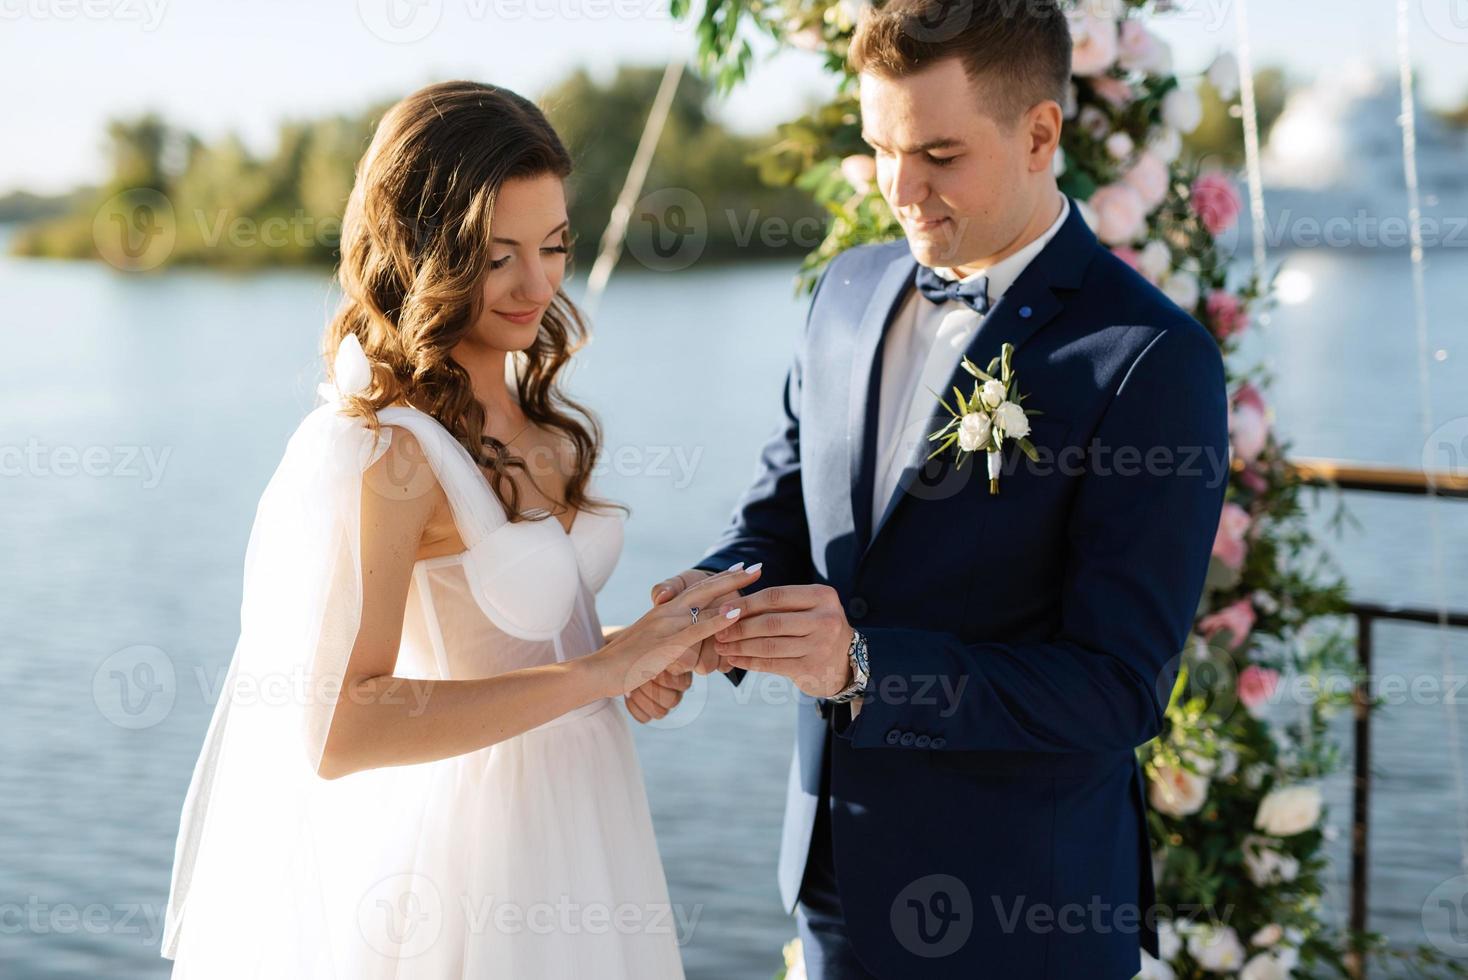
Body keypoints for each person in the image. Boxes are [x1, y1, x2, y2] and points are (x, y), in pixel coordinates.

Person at [650, 1, 1230, 976]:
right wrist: (703, 606)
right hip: (835, 881)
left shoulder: (1148, 361)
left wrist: (868, 665)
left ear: (1041, 132)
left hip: (1024, 910)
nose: (900, 190)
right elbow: (787, 506)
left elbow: (1116, 688)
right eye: (881, 148)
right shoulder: (845, 291)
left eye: (939, 154)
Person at [159, 79, 752, 979]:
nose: (536, 284)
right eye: (497, 252)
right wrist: (598, 671)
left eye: (553, 246)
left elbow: (528, 652)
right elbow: (339, 729)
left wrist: (648, 651)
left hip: (587, 828)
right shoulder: (393, 449)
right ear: (424, 248)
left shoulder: (540, 420)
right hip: (472, 869)